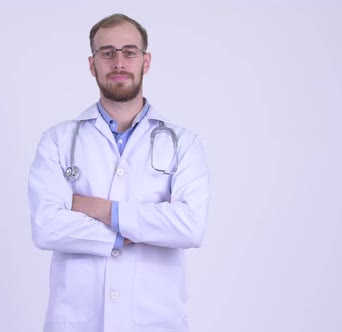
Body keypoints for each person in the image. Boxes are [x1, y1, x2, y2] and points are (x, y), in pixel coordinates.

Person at [28, 13, 210, 332]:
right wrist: (137, 228)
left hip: (155, 321)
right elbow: (46, 227)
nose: (119, 62)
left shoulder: (185, 143)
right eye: (107, 52)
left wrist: (99, 209)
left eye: (129, 51)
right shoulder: (57, 140)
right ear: (92, 64)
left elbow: (189, 227)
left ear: (146, 61)